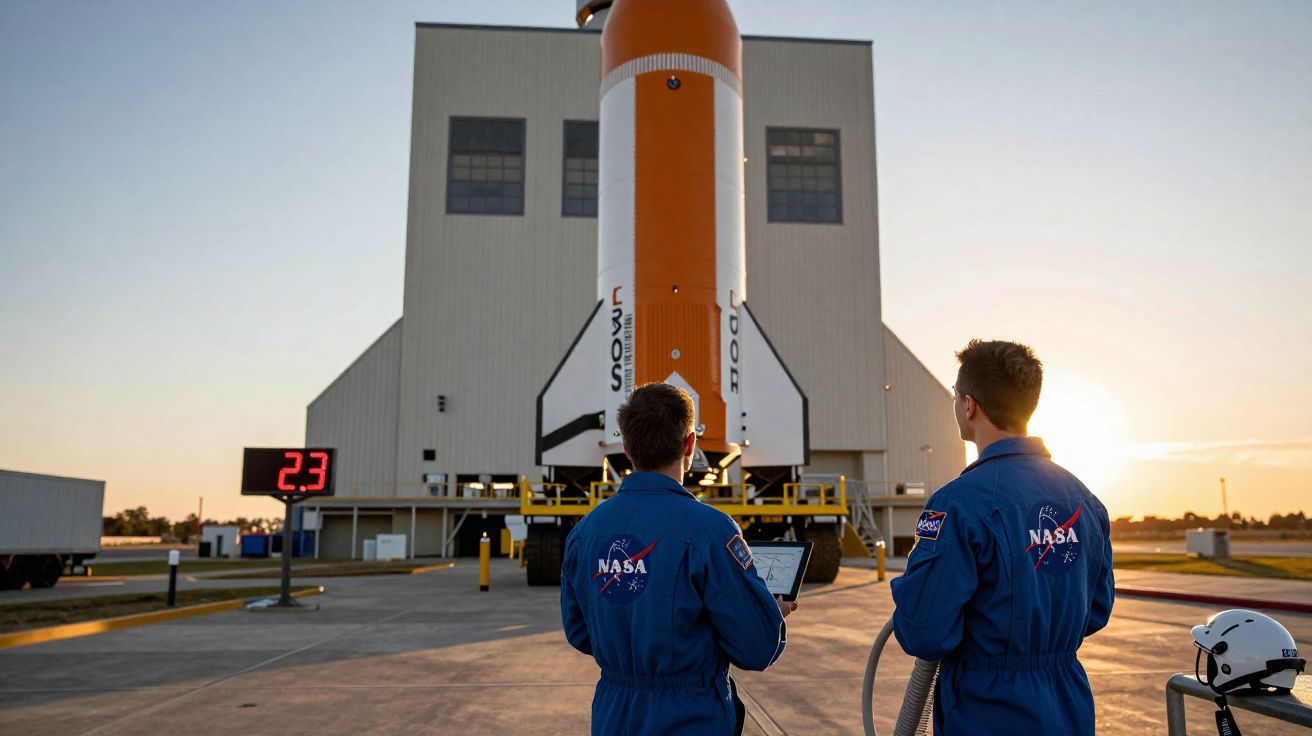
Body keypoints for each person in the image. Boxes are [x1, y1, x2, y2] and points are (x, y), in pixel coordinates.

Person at [890, 340, 1115, 735]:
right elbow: (1096, 610)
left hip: (986, 710)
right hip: (1069, 707)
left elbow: (924, 631)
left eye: (955, 395)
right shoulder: (1084, 498)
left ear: (969, 405)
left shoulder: (958, 503)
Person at [560, 382, 797, 736]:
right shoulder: (711, 531)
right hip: (690, 718)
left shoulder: (586, 531)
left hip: (613, 715)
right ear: (690, 444)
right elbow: (756, 648)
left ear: (627, 449)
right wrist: (770, 615)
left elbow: (580, 632)